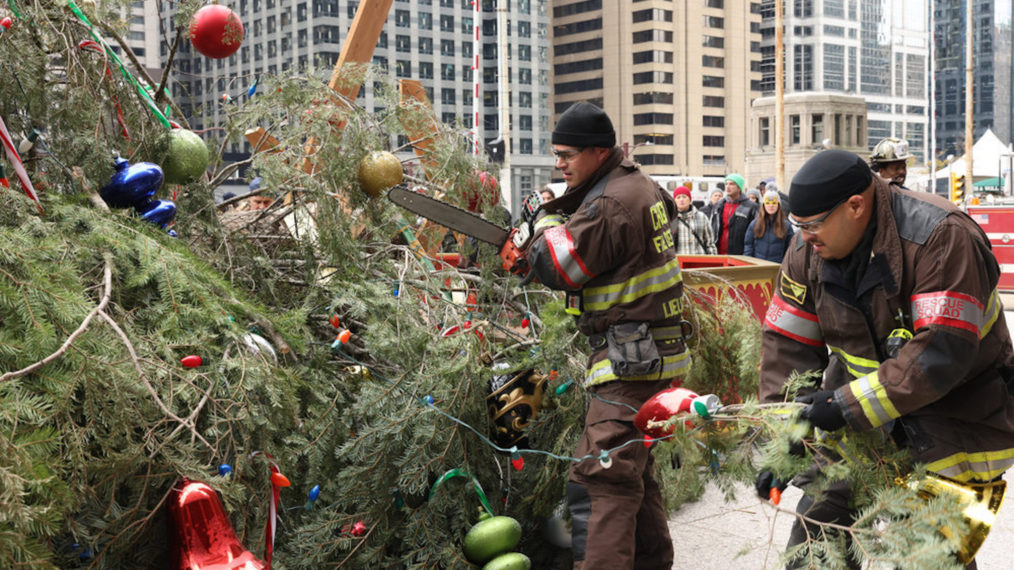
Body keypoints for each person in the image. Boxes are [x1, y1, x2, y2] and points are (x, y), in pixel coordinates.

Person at [755, 150, 1014, 569]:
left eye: (811, 225)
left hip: (953, 427)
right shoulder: (808, 253)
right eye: (797, 226)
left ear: (855, 207)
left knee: (932, 559)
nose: (803, 238)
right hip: (860, 430)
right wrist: (784, 442)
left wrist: (843, 406)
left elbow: (940, 354)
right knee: (815, 548)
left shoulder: (941, 236)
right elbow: (787, 346)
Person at [520, 101, 689, 569]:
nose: (559, 164)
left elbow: (560, 264)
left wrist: (544, 223)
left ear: (597, 153)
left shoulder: (612, 201)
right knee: (631, 473)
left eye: (566, 155)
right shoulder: (636, 186)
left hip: (631, 363)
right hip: (655, 354)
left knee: (600, 478)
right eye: (556, 154)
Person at [709, 173, 759, 255]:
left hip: (741, 254)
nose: (728, 187)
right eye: (726, 184)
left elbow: (756, 233)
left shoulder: (751, 207)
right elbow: (711, 230)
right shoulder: (718, 206)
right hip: (719, 254)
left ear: (739, 187)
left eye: (732, 184)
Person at [743, 189, 794, 263]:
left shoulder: (786, 225)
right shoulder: (754, 224)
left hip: (777, 266)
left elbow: (790, 248)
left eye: (774, 203)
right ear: (763, 205)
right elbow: (748, 246)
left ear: (778, 205)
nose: (771, 206)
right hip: (757, 265)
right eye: (767, 203)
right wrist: (748, 263)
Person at [671, 185, 716, 255]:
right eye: (678, 197)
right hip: (678, 262)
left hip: (699, 260)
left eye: (684, 197)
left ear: (690, 200)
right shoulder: (671, 219)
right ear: (674, 201)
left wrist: (714, 261)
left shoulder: (702, 217)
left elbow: (710, 243)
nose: (681, 200)